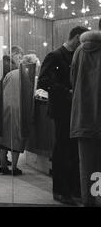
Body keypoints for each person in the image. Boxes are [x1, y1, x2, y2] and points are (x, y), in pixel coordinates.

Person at [37, 26, 88, 205]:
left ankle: (74, 190)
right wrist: (67, 91)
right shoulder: (55, 55)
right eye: (81, 41)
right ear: (76, 38)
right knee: (62, 151)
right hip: (61, 111)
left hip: (75, 110)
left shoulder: (76, 55)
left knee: (74, 151)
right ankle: (60, 191)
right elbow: (43, 81)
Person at [0, 54, 39, 175]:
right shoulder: (30, 77)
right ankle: (15, 167)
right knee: (17, 138)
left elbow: (3, 88)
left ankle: (3, 166)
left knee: (2, 137)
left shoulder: (11, 73)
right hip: (19, 109)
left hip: (4, 107)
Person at [70, 20, 101, 207]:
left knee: (87, 167)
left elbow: (73, 81)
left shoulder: (79, 51)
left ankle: (89, 202)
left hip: (83, 116)